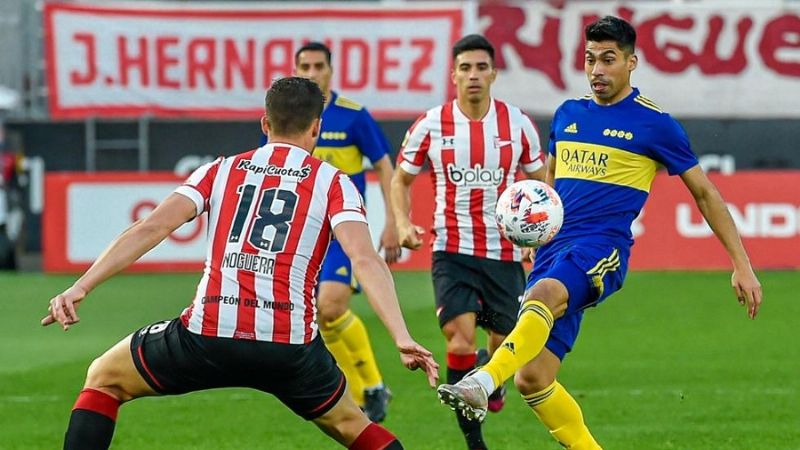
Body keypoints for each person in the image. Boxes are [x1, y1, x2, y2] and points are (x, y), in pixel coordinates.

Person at [42, 77, 439, 450]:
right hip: (289, 347)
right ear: (316, 128)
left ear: (264, 122)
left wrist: (82, 285)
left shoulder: (221, 169)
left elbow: (152, 227)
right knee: (354, 427)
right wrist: (401, 336)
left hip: (209, 335)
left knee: (104, 379)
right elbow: (365, 259)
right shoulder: (334, 182)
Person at [436, 16, 763, 450]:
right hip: (553, 251)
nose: (597, 70)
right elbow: (550, 185)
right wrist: (533, 233)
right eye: (590, 59)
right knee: (533, 379)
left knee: (542, 298)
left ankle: (482, 381)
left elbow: (705, 193)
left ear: (632, 63)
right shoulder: (568, 115)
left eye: (609, 60)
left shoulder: (655, 125)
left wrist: (741, 264)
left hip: (601, 248)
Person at [391, 34, 546, 450]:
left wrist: (537, 233)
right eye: (465, 67)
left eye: (481, 67)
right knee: (459, 340)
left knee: (501, 344)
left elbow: (541, 181)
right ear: (454, 74)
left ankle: (492, 382)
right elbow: (401, 179)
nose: (473, 75)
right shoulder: (431, 124)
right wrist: (403, 223)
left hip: (504, 253)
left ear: (494, 73)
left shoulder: (517, 124)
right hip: (451, 249)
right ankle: (474, 442)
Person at [261, 42, 400, 422]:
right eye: (304, 65)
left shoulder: (353, 117)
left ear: (331, 70)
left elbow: (386, 168)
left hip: (340, 232)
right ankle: (361, 395)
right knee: (318, 318)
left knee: (331, 305)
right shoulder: (285, 118)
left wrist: (393, 222)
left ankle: (370, 386)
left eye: (318, 65)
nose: (312, 72)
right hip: (299, 235)